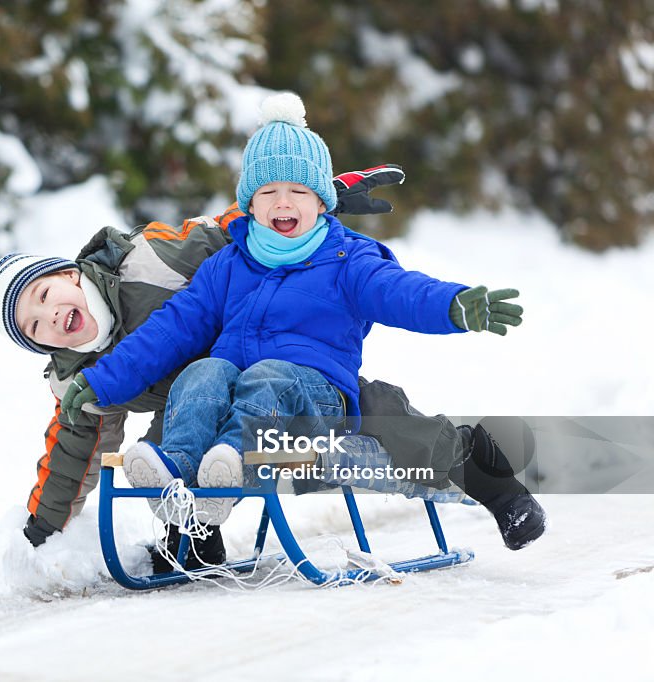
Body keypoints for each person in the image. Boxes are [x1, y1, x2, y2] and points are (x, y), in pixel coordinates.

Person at [59, 93, 546, 552]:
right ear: (250, 203)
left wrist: (453, 305)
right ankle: (187, 504)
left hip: (313, 397)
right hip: (240, 393)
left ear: (321, 201)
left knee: (304, 388)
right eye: (268, 191)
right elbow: (168, 332)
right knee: (198, 374)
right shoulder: (227, 266)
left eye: (298, 190)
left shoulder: (346, 259)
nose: (283, 202)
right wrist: (101, 380)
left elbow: (399, 292)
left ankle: (229, 470)